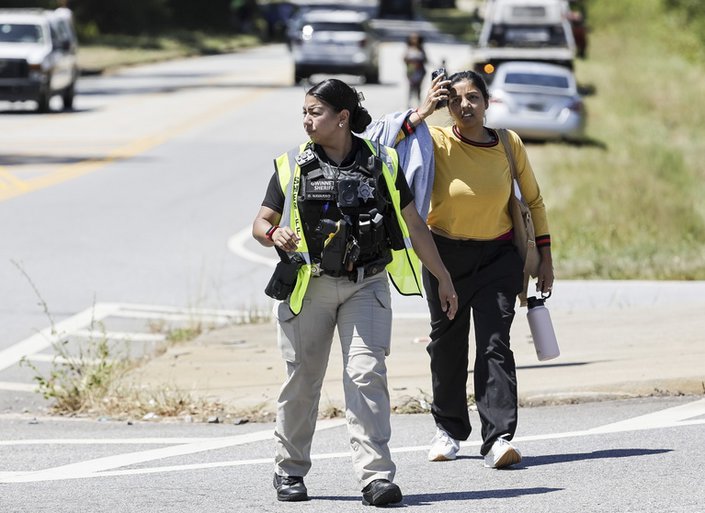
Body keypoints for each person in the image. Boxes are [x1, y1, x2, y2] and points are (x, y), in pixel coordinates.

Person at [252, 78, 458, 506]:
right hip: (309, 287)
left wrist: (442, 277)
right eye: (304, 112)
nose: (307, 120)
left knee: (366, 374)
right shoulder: (290, 165)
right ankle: (289, 471)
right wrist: (275, 234)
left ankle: (376, 477)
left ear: (342, 118)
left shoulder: (381, 162)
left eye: (315, 112)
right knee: (303, 381)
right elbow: (260, 223)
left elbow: (414, 224)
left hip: (366, 285)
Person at [393, 70, 554, 468]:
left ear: (486, 102)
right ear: (446, 106)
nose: (464, 106)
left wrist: (545, 257)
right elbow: (384, 147)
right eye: (455, 100)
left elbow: (532, 201)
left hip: (499, 258)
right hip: (444, 257)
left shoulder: (507, 142)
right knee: (447, 343)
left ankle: (498, 437)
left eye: (472, 98)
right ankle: (448, 431)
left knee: (495, 343)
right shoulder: (434, 139)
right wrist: (424, 109)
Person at [403, 33, 427, 107]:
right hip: (411, 72)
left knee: (418, 89)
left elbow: (425, 60)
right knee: (411, 88)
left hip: (420, 71)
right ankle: (409, 104)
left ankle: (419, 104)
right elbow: (404, 59)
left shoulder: (421, 49)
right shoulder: (408, 49)